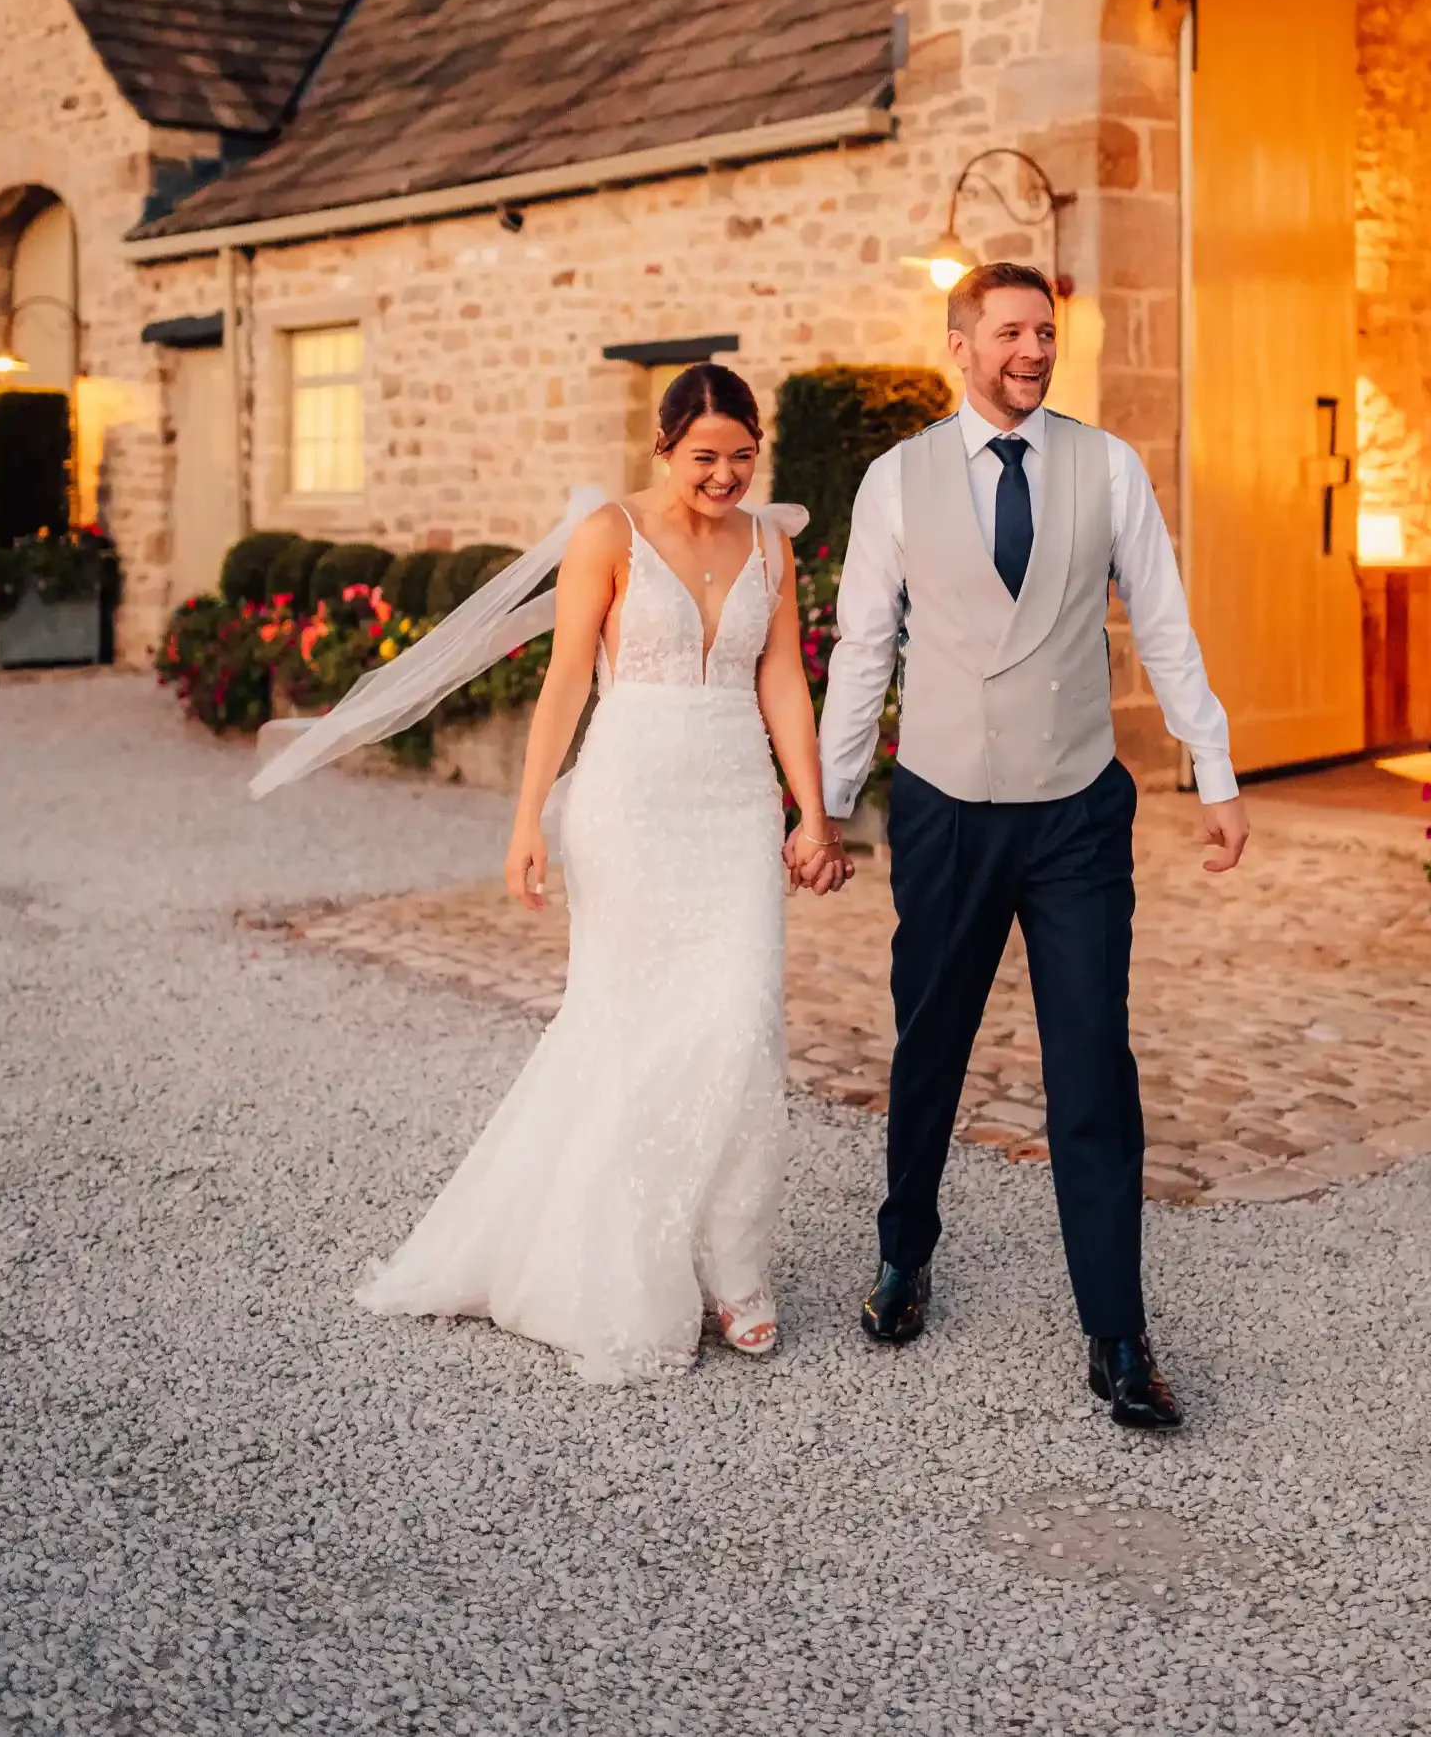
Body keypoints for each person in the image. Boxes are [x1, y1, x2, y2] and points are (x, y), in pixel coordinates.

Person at [253, 362, 850, 1383]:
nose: (724, 476)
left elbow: (784, 675)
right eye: (704, 457)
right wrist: (528, 818)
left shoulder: (770, 544)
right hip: (629, 803)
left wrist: (814, 810)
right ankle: (632, 1264)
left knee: (742, 1026)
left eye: (742, 457)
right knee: (628, 1026)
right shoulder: (609, 535)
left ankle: (735, 1267)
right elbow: (568, 676)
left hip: (733, 806)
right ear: (662, 449)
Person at [811, 262, 1248, 1431]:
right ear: (958, 345)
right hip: (945, 807)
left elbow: (1161, 617)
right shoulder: (893, 480)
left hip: (1074, 813)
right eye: (1009, 331)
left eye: (1045, 332)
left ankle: (1117, 1335)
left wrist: (1212, 768)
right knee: (929, 1046)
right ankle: (903, 1256)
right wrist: (827, 801)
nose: (1032, 350)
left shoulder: (1106, 466)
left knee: (1092, 1067)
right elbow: (863, 649)